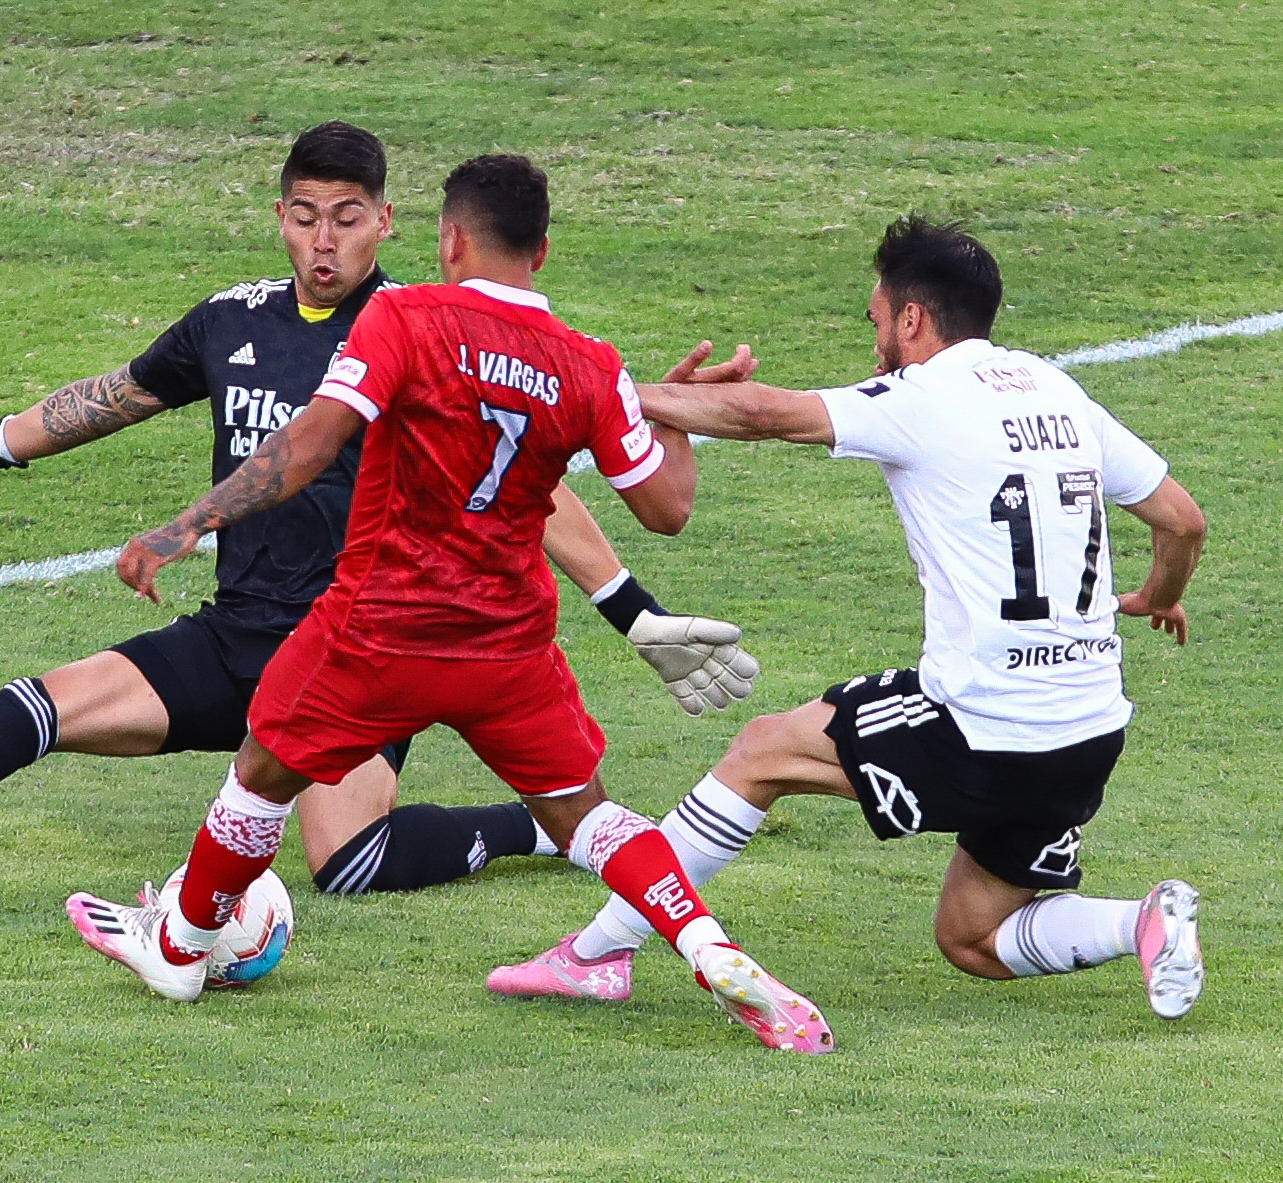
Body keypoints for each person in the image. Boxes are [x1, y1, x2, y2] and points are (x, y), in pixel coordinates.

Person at [0, 122, 759, 900]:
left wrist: (630, 609)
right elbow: (120, 394)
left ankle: (537, 825)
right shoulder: (235, 319)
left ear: (391, 223)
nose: (324, 238)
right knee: (39, 706)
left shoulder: (422, 334)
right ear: (279, 218)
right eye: (304, 216)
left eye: (347, 218)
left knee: (348, 861)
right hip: (240, 634)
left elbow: (531, 493)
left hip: (361, 645)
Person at [66, 154, 834, 1053]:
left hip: (374, 629)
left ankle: (183, 944)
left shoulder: (403, 315)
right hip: (506, 648)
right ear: (542, 250)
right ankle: (709, 945)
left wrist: (189, 523)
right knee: (590, 817)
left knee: (261, 771)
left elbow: (313, 442)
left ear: (448, 236)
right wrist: (671, 416)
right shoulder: (589, 364)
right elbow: (666, 510)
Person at [488, 215, 1208, 1032]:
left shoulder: (925, 396)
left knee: (761, 750)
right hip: (1087, 735)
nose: (874, 343)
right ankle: (1144, 919)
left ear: (912, 319)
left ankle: (595, 955)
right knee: (970, 937)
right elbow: (1182, 519)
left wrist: (604, 392)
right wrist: (1157, 593)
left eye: (875, 321)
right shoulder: (1059, 393)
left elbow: (766, 415)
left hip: (984, 724)